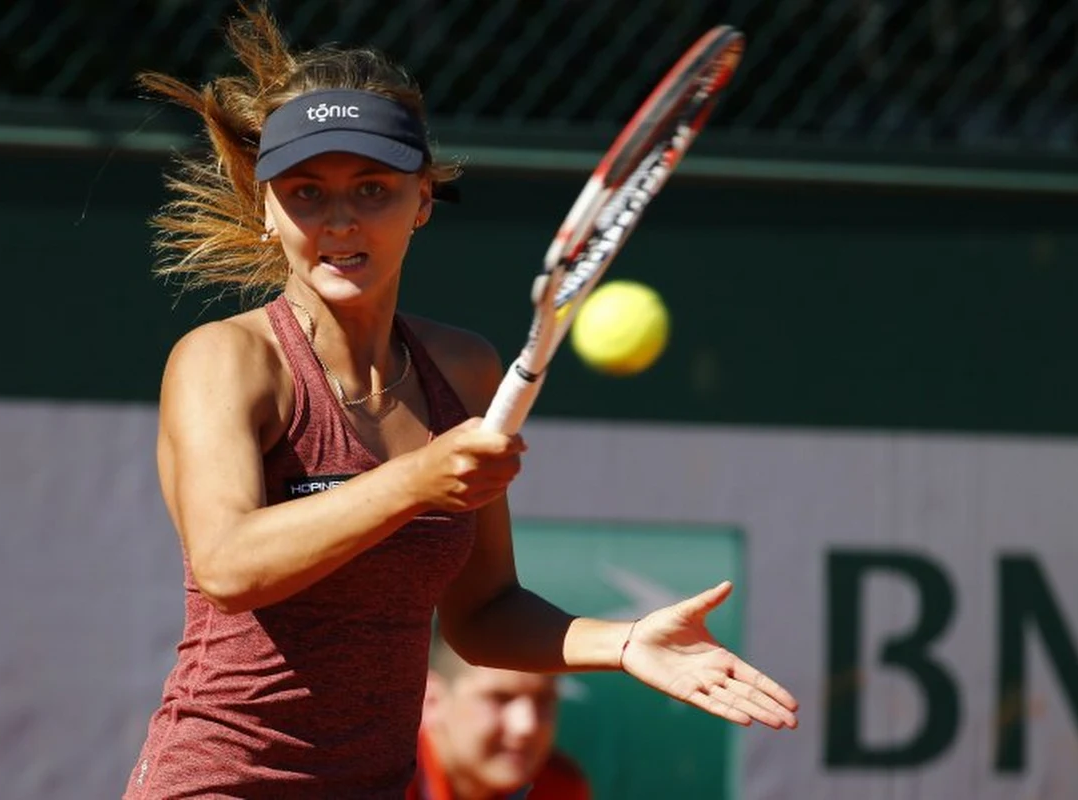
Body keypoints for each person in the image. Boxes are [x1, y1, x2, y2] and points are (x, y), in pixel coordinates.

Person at [124, 5, 798, 798]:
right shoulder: (226, 360)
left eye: (372, 188)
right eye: (307, 192)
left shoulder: (463, 371)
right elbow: (230, 563)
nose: (339, 220)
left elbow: (483, 615)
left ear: (422, 201)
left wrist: (623, 642)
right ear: (269, 210)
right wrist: (416, 480)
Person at [410, 628, 590, 800]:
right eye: (500, 698)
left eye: (544, 699)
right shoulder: (387, 779)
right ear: (431, 700)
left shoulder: (557, 787)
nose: (527, 725)